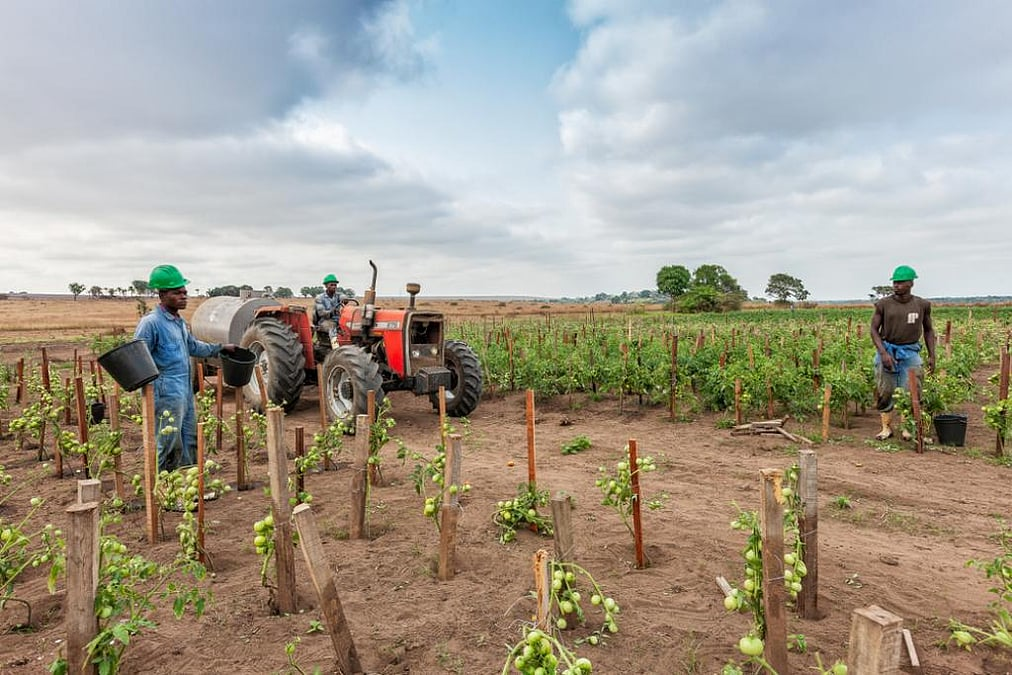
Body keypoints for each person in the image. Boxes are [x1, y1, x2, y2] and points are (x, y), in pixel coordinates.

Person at [134, 264, 236, 472]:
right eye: (177, 293)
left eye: (184, 292)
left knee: (189, 436)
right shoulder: (151, 323)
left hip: (184, 387)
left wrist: (220, 348)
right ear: (162, 295)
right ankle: (162, 485)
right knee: (168, 440)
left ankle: (188, 481)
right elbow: (138, 356)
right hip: (164, 388)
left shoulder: (178, 322)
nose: (183, 296)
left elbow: (192, 346)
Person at [870, 264, 936, 440]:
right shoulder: (883, 304)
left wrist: (932, 355)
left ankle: (908, 428)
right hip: (887, 349)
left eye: (900, 282)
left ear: (911, 283)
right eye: (895, 282)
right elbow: (874, 329)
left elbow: (929, 330)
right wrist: (883, 353)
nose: (896, 285)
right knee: (886, 389)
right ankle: (886, 428)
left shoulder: (922, 305)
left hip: (910, 351)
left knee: (913, 389)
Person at [314, 273, 344, 347]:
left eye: (335, 285)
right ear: (326, 286)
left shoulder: (338, 295)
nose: (334, 287)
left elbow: (343, 296)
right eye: (331, 285)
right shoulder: (319, 298)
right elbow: (321, 313)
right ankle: (335, 347)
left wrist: (345, 299)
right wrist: (332, 312)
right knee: (332, 328)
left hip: (339, 320)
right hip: (325, 321)